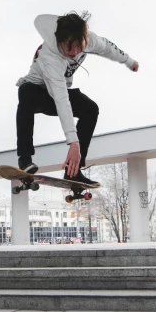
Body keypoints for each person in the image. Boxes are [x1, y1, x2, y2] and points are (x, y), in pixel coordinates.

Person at [16, 12, 139, 184]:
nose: (75, 52)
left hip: (60, 93)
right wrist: (73, 143)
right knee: (25, 91)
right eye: (69, 48)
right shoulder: (51, 59)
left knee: (91, 109)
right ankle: (25, 158)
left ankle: (73, 171)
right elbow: (61, 100)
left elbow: (109, 48)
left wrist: (129, 61)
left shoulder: (89, 40)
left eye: (79, 47)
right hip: (38, 95)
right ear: (60, 41)